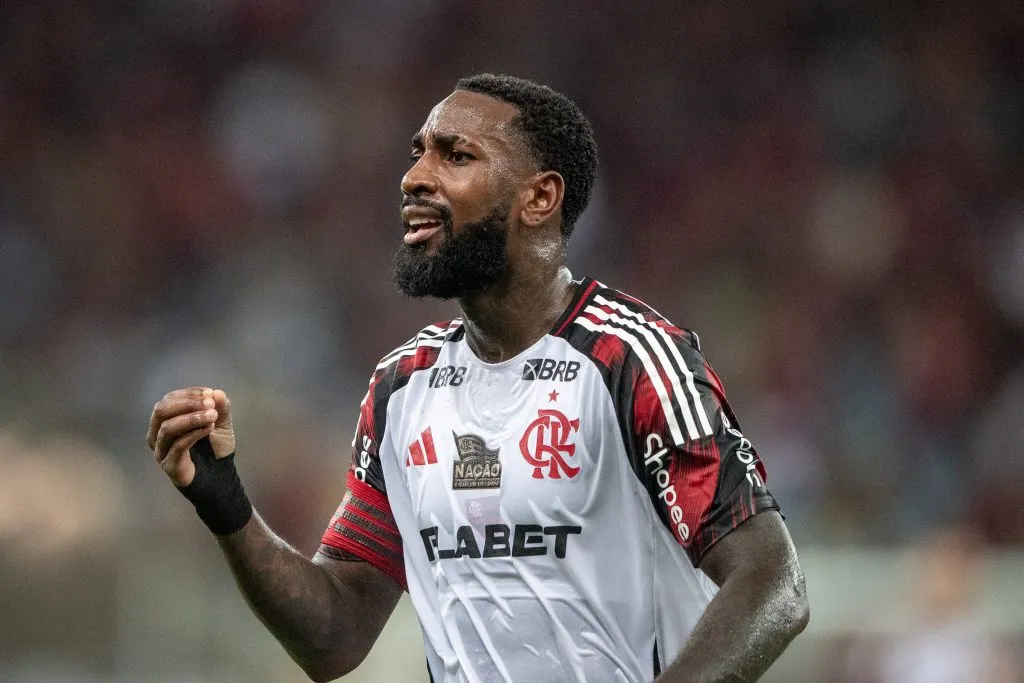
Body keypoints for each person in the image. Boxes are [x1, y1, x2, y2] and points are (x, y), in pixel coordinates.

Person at [147, 73, 808, 683]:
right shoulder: (403, 386)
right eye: (418, 152)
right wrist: (229, 507)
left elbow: (772, 580)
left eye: (454, 156)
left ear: (540, 197)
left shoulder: (630, 360)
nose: (414, 178)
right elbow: (336, 634)